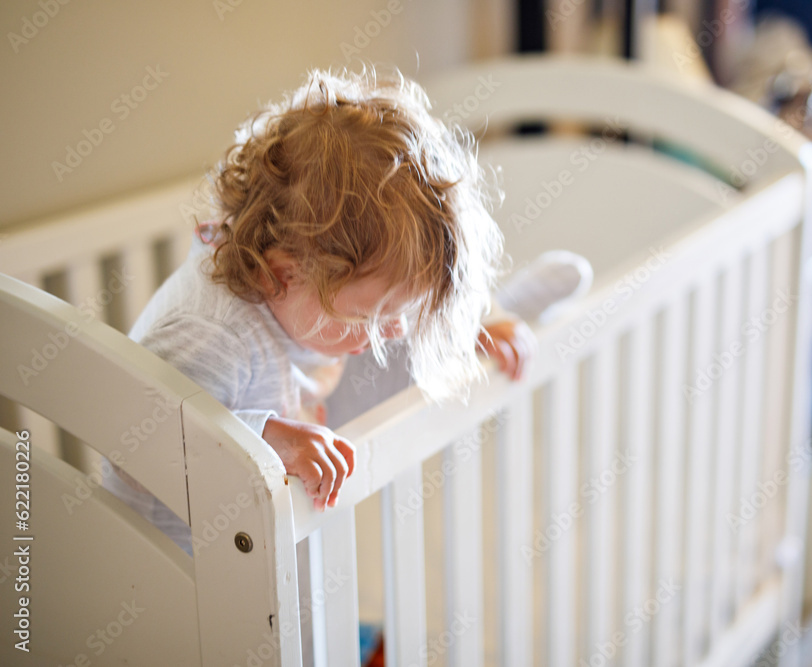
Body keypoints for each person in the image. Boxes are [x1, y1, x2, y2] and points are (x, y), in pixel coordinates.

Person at [103, 66, 537, 554]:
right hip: (175, 568)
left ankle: (500, 308)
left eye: (400, 310)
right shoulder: (212, 329)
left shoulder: (313, 290)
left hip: (249, 547)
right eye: (365, 317)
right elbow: (133, 444)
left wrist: (486, 318)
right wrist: (265, 439)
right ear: (282, 273)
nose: (391, 330)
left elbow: (401, 303)